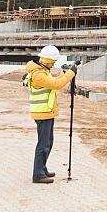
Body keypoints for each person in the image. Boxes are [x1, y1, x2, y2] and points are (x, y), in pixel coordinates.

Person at [26, 45, 76, 184]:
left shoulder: (43, 70)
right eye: (52, 61)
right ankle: (38, 174)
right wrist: (70, 74)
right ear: (47, 60)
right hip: (42, 112)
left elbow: (54, 82)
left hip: (46, 112)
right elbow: (56, 84)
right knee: (43, 144)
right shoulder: (38, 74)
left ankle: (42, 168)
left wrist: (64, 73)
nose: (53, 64)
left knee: (48, 142)